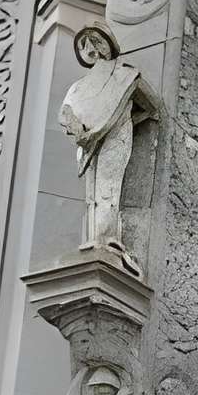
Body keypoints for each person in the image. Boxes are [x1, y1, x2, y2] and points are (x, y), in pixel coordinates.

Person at [58, 25, 158, 269]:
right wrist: (82, 132)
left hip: (117, 136)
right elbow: (66, 115)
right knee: (91, 194)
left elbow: (151, 105)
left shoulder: (125, 74)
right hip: (88, 142)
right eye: (84, 44)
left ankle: (108, 240)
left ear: (108, 43)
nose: (91, 48)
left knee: (108, 187)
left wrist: (125, 122)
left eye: (95, 40)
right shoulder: (78, 88)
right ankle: (94, 240)